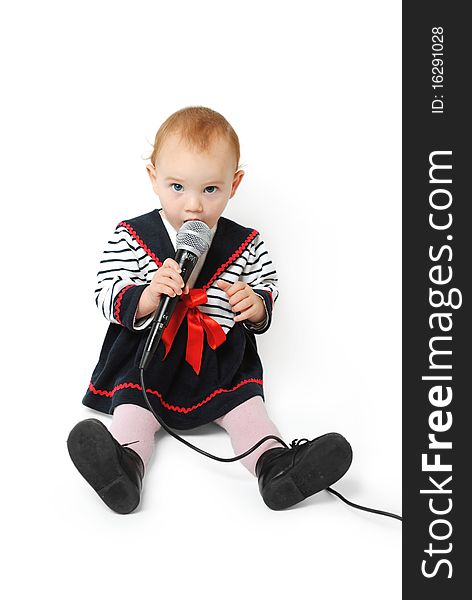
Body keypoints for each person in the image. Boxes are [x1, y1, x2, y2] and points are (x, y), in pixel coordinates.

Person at [67, 106, 352, 514]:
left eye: (211, 190)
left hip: (218, 361)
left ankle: (275, 468)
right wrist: (146, 296)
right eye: (178, 187)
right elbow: (105, 289)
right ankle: (124, 468)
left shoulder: (246, 241)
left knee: (246, 408)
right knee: (133, 406)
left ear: (234, 185)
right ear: (153, 179)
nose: (194, 206)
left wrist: (254, 305)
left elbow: (267, 286)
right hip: (148, 356)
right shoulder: (131, 235)